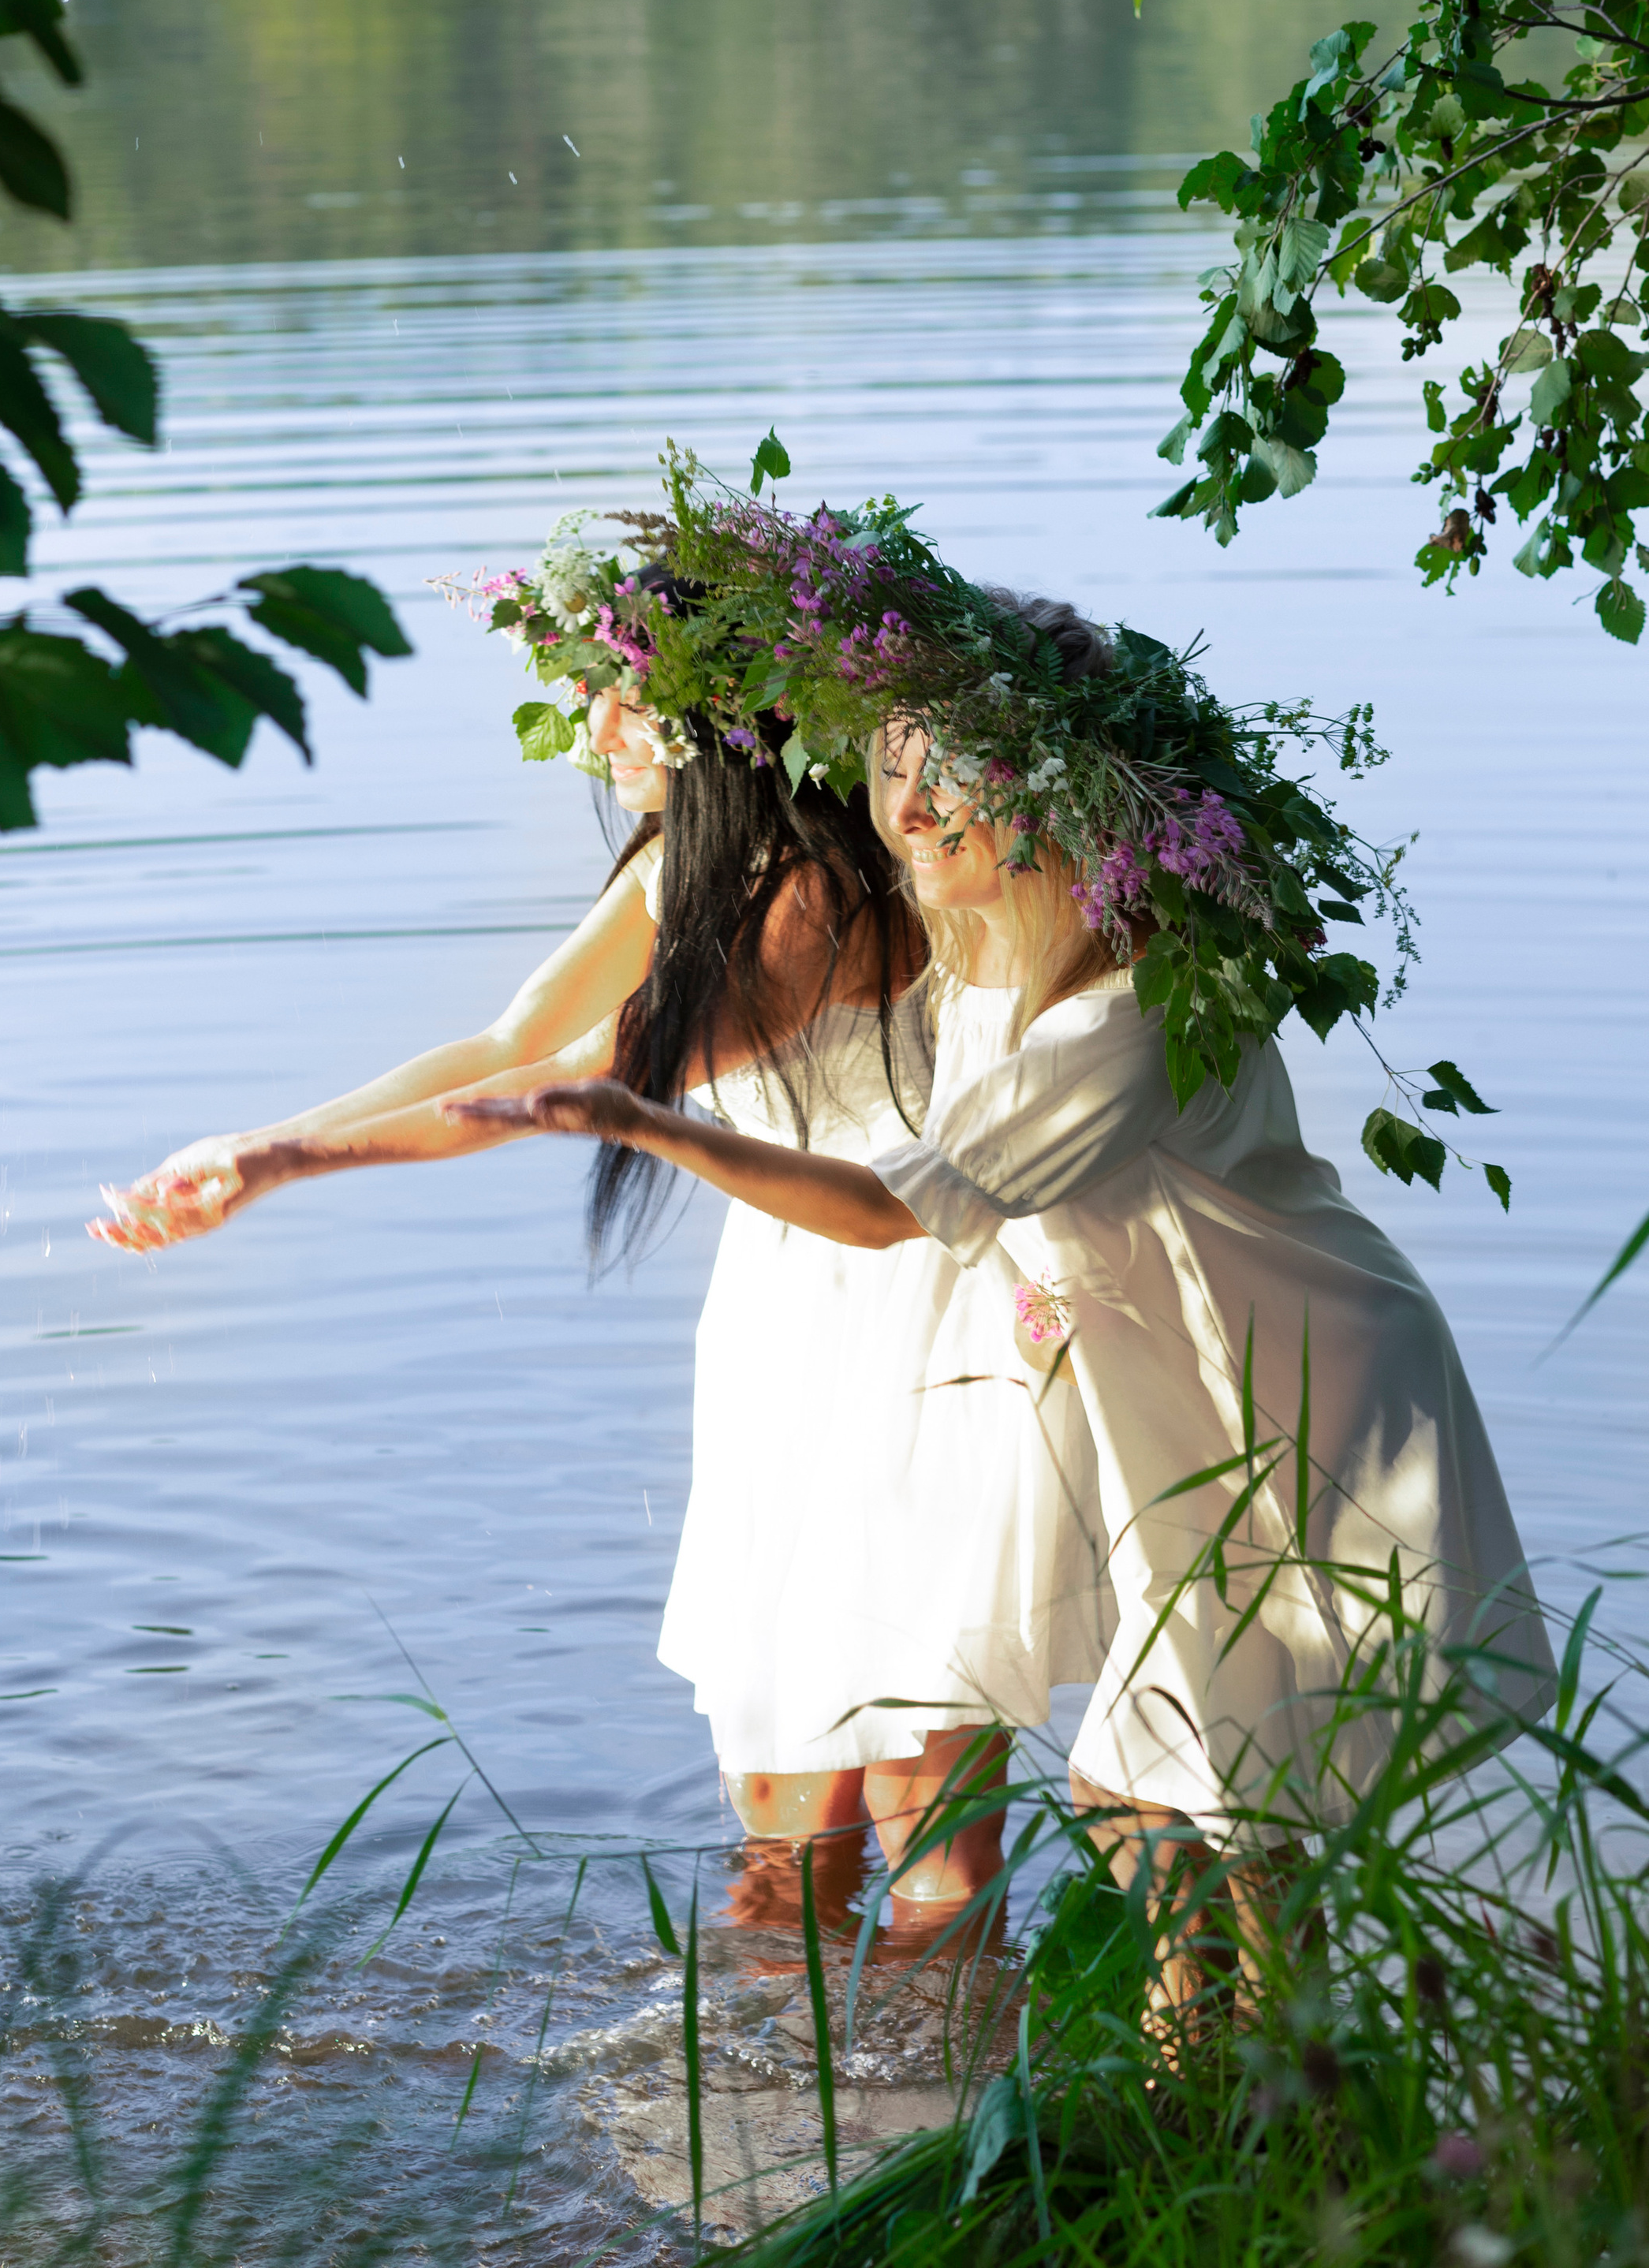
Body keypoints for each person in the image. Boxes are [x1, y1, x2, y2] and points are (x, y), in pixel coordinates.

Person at [453, 477, 1558, 2025]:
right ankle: (1249, 2125)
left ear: (1064, 806)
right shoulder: (1005, 979)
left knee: (1180, 1813)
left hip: (1296, 1412)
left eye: (945, 782)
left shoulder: (1122, 1015)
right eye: (890, 771)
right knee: (1168, 1809)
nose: (901, 810)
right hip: (1194, 1407)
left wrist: (641, 1122)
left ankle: (1257, 2129)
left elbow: (893, 1205)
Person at [91, 530, 1110, 1927]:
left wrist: (289, 1160)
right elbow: (508, 1040)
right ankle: (773, 2124)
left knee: (917, 1807)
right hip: (783, 1324)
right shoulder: (683, 868)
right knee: (776, 1821)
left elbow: (588, 1091)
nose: (592, 726)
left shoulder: (819, 891)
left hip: (908, 1317)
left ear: (718, 710)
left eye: (619, 694)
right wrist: (260, 1141)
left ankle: (948, 2125)